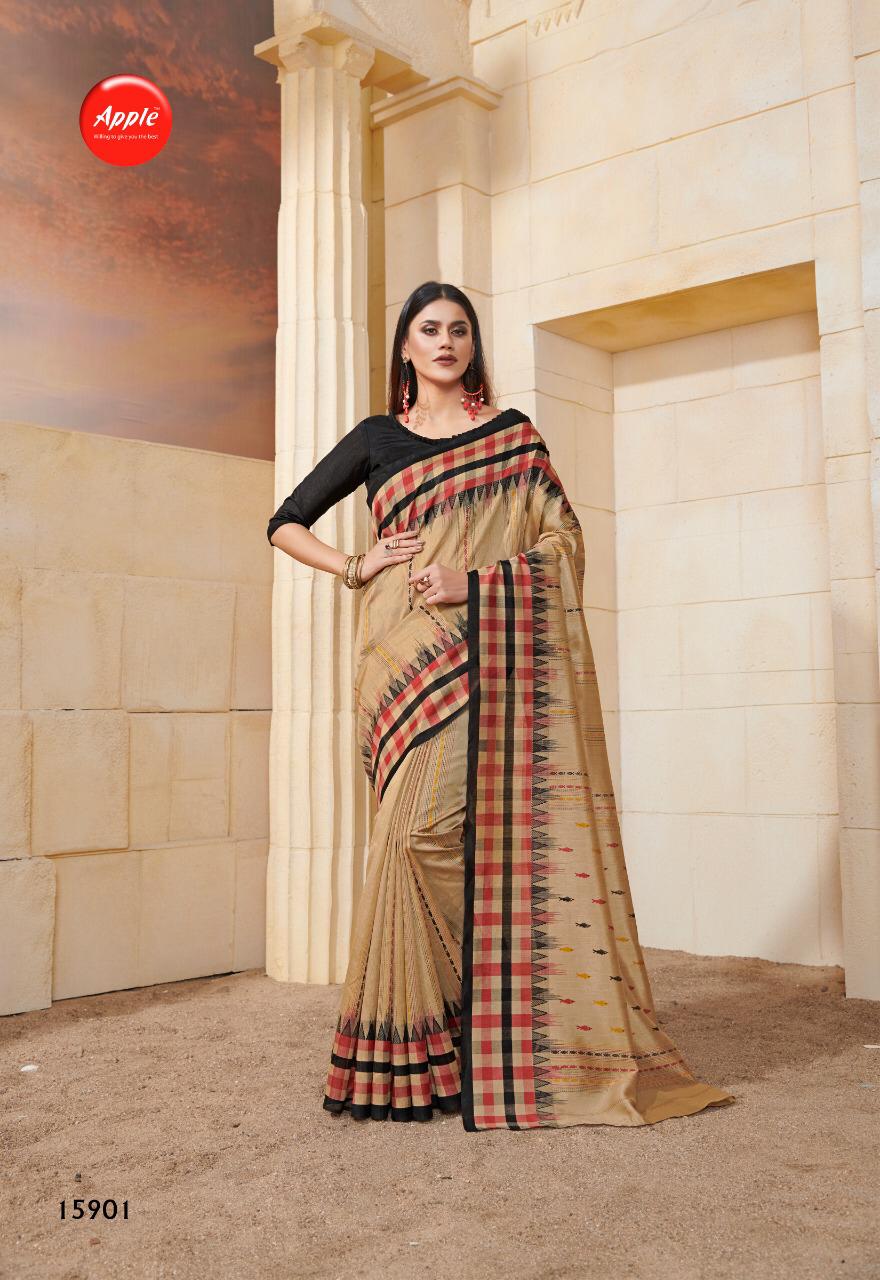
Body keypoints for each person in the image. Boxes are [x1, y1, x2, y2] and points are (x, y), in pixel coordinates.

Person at [267, 280, 736, 1132]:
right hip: (397, 663)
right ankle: (432, 1052)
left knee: (431, 840)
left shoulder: (513, 437)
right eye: (429, 329)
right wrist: (357, 565)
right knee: (406, 841)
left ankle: (487, 1021)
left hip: (484, 651)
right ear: (406, 348)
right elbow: (286, 520)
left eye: (459, 329)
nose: (445, 341)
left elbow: (563, 542)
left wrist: (475, 582)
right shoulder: (376, 439)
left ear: (472, 345)